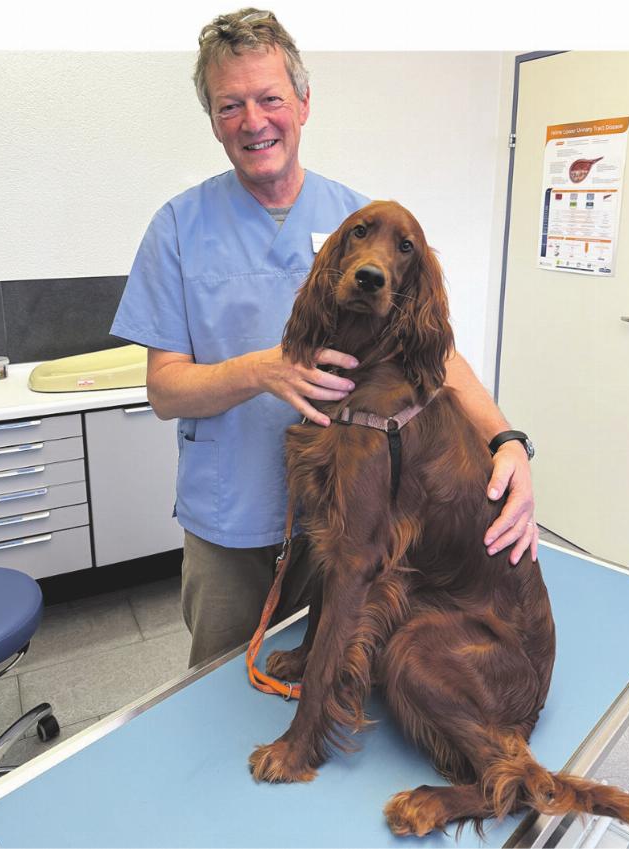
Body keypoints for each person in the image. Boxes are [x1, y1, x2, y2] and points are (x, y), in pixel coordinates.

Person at [111, 7, 537, 669]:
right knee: (221, 696)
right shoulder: (177, 228)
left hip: (351, 517)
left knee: (338, 672)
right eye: (231, 105)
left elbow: (435, 355)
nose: (254, 122)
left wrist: (506, 440)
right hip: (231, 526)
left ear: (304, 103)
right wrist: (264, 370)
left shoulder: (361, 222)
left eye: (270, 98)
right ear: (213, 119)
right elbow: (164, 389)